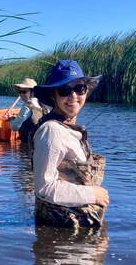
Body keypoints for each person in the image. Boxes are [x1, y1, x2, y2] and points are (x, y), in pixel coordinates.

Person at [32, 60, 109, 229]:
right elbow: (44, 187)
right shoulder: (51, 131)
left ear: (86, 90)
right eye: (64, 90)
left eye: (79, 88)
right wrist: (93, 194)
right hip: (60, 237)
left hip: (77, 233)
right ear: (54, 95)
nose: (73, 96)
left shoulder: (70, 129)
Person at [8, 77, 46, 143]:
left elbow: (15, 126)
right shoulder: (42, 102)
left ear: (33, 92)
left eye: (24, 92)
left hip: (31, 143)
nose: (21, 94)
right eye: (20, 92)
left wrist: (11, 119)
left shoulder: (27, 105)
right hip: (42, 139)